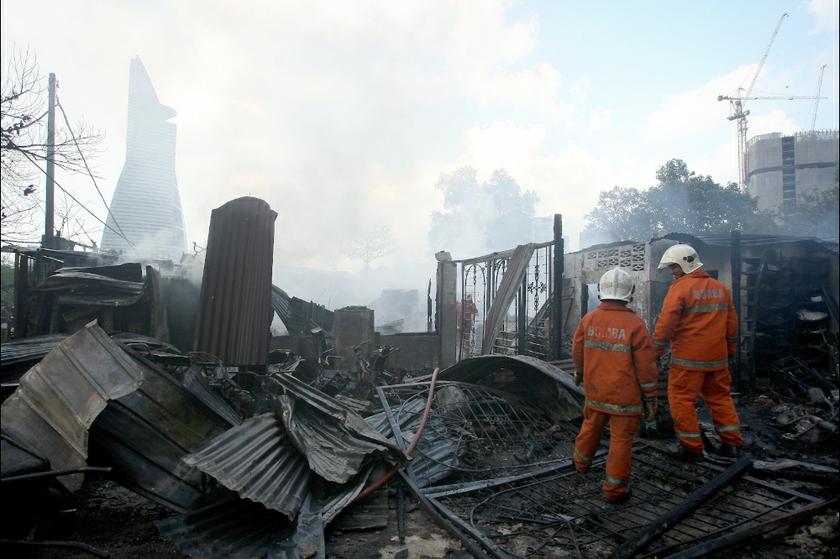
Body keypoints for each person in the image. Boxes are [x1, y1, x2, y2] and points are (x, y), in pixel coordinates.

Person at [572, 268, 657, 503]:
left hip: (596, 391)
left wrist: (579, 372)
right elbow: (646, 367)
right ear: (630, 292)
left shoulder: (588, 319)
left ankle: (580, 464)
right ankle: (614, 490)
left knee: (590, 427)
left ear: (601, 291)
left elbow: (577, 350)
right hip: (625, 398)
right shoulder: (635, 325)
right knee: (620, 441)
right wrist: (651, 396)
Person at [652, 244, 742, 461]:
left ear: (685, 264)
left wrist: (654, 352)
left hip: (688, 361)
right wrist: (730, 351)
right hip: (717, 359)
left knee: (681, 400)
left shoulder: (680, 289)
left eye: (674, 266)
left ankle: (691, 447)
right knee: (720, 398)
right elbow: (732, 325)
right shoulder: (720, 288)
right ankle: (731, 445)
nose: (672, 271)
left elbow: (666, 325)